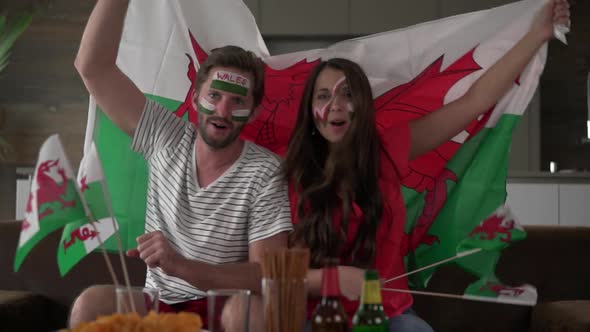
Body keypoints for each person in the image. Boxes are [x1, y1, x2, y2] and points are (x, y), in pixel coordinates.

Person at [284, 0, 570, 331]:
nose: (335, 105)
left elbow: (475, 101)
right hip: (317, 319)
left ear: (362, 105)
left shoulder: (387, 151)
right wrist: (334, 280)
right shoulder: (291, 177)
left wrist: (537, 35)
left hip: (388, 316)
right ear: (309, 108)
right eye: (322, 96)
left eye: (347, 94)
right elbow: (277, 273)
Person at [68, 0, 292, 328]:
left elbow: (265, 275)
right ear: (195, 98)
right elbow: (93, 67)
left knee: (251, 312)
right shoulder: (164, 136)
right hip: (158, 305)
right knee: (90, 304)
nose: (223, 111)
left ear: (255, 112)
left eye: (238, 101)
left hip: (223, 304)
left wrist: (181, 265)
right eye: (214, 96)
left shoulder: (265, 171)